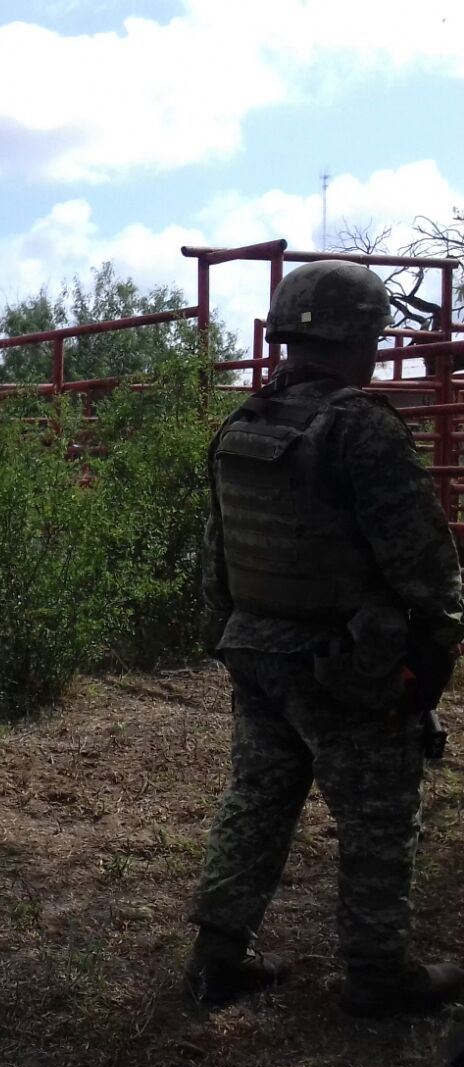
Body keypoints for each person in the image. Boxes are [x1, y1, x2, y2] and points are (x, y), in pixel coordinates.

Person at [187, 259, 464, 1017]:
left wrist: (240, 640)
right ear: (363, 337)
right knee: (379, 817)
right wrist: (430, 659)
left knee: (259, 798)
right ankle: (378, 977)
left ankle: (217, 958)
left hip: (256, 651)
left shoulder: (244, 422)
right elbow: (427, 568)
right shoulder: (361, 429)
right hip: (346, 664)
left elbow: (218, 562)